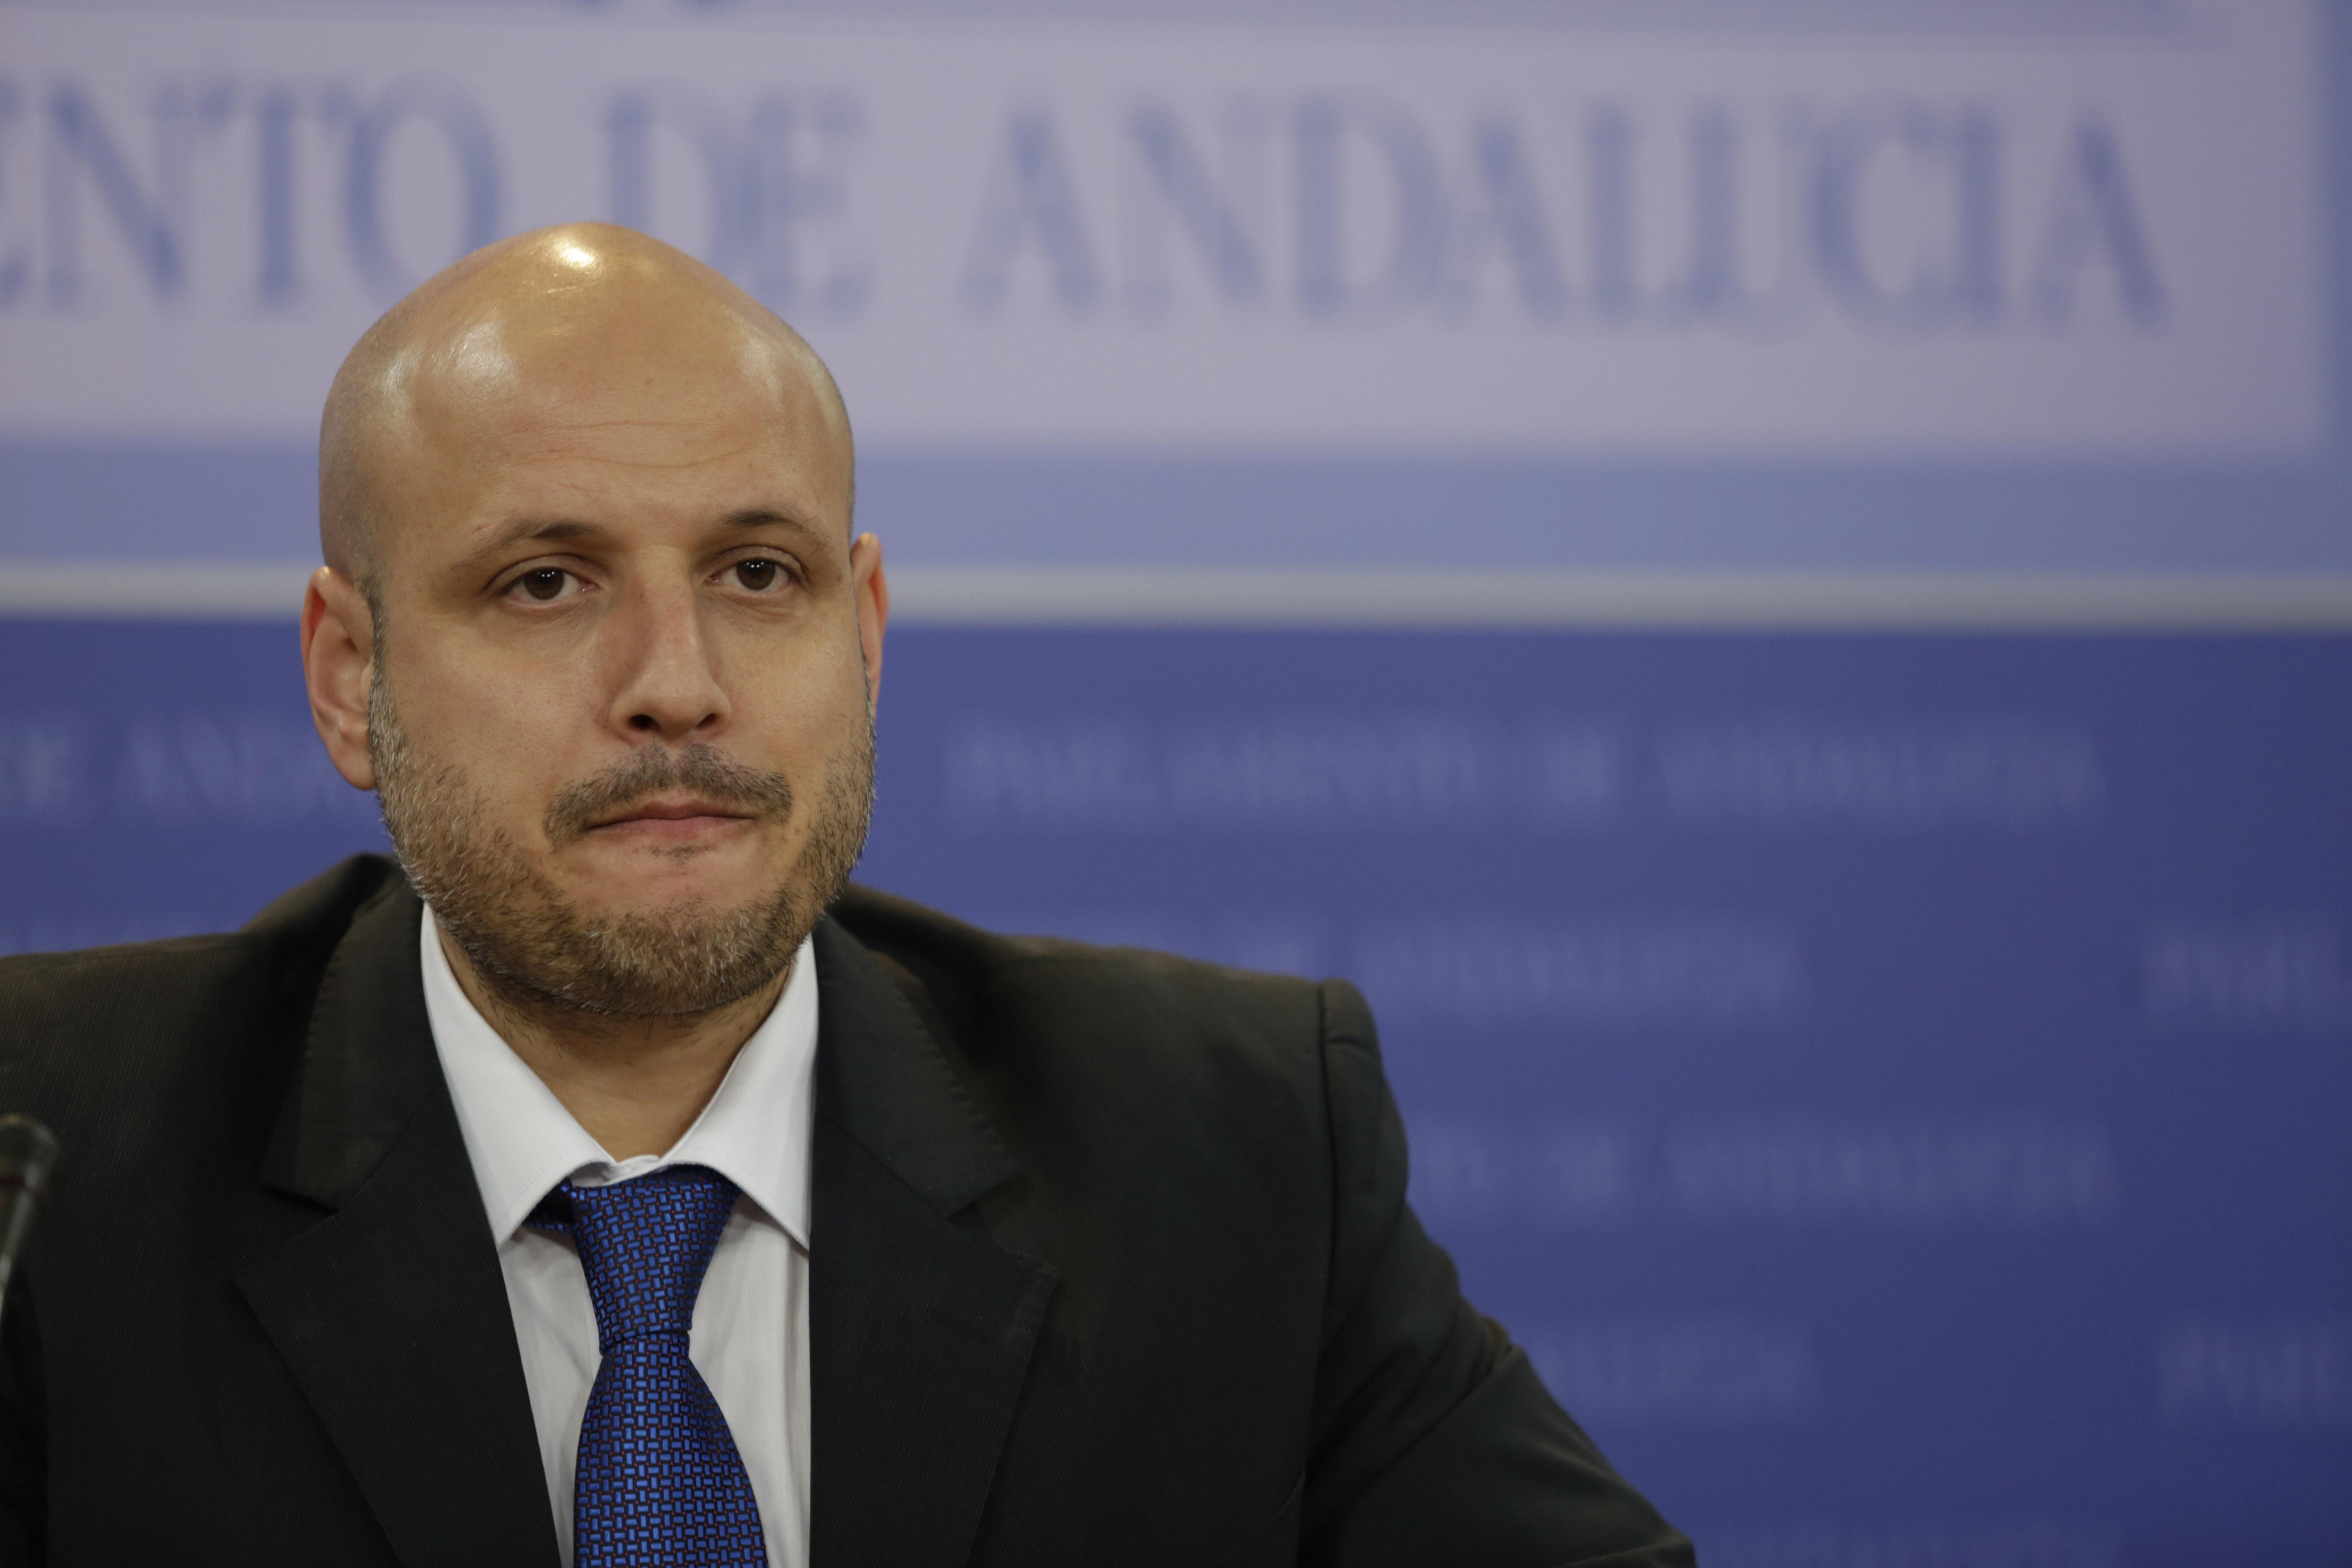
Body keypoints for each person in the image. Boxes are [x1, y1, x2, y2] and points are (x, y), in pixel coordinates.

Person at [0, 224, 1693, 1567]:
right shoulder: (52, 1166)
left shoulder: (1234, 1152)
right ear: (348, 676)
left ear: (865, 633)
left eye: (759, 575)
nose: (678, 684)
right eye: (544, 580)